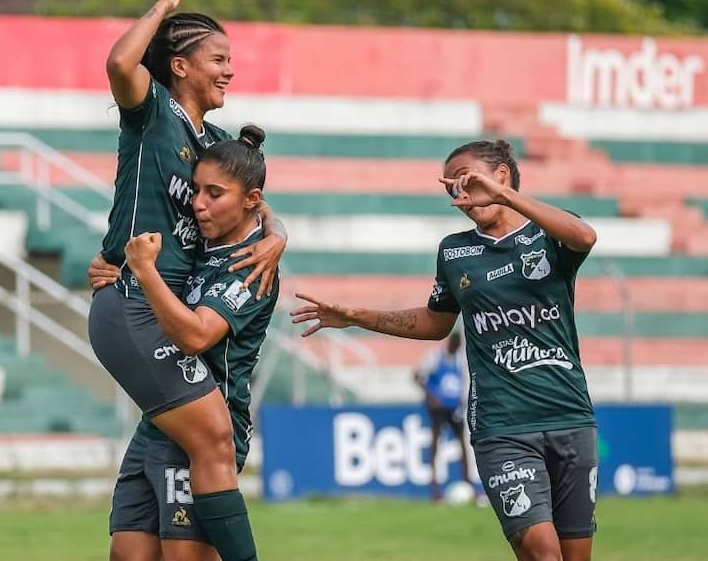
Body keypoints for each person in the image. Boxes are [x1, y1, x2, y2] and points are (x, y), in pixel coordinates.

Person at [291, 140, 599, 561]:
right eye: (453, 189)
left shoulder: (549, 233)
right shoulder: (456, 252)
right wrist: (357, 316)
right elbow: (435, 323)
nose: (463, 196)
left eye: (468, 182)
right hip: (502, 425)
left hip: (569, 415)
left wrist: (507, 198)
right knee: (543, 553)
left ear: (502, 176)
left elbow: (587, 236)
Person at [87, 0, 285, 561]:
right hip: (135, 301)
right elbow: (121, 61)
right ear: (180, 65)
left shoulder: (215, 142)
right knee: (217, 438)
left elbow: (254, 198)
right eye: (219, 59)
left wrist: (278, 236)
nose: (229, 70)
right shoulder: (154, 112)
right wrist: (161, 6)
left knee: (142, 533)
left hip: (156, 305)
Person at [110, 125, 278, 561]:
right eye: (196, 190)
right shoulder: (200, 244)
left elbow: (196, 335)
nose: (199, 204)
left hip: (208, 423)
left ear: (250, 200)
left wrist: (144, 273)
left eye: (214, 194)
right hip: (160, 419)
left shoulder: (252, 264)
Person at [413, 330, 475, 503]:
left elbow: (462, 384)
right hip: (438, 409)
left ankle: (469, 485)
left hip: (454, 409)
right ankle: (435, 490)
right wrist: (430, 396)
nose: (456, 347)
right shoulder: (435, 357)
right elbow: (417, 375)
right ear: (450, 342)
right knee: (435, 445)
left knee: (463, 445)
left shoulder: (459, 361)